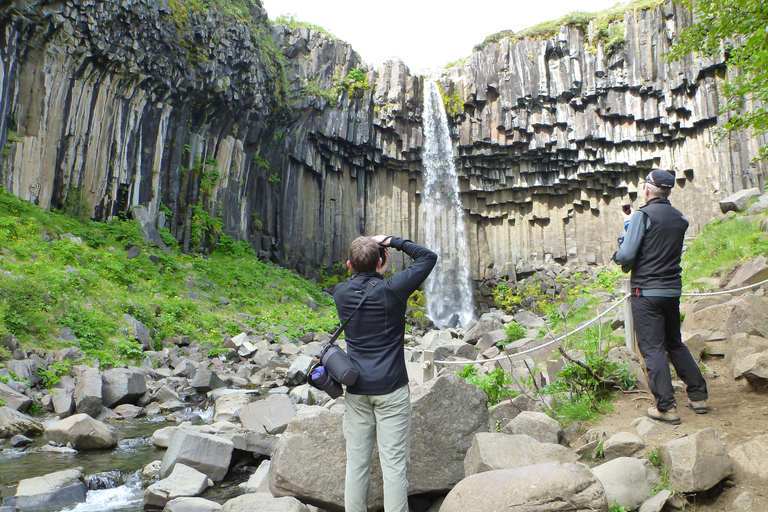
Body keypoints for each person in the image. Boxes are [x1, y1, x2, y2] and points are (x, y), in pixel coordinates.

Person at [333, 234, 437, 512]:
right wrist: (391, 241)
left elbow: (361, 283)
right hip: (391, 389)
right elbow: (428, 257)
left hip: (356, 389)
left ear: (349, 266)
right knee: (393, 466)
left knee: (356, 464)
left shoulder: (340, 293)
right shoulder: (392, 290)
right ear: (383, 261)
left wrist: (374, 267)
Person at [612, 170, 708, 425]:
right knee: (674, 343)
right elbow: (657, 244)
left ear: (647, 189)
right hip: (671, 290)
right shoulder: (679, 218)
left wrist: (619, 251)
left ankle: (666, 407)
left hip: (646, 292)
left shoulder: (643, 215)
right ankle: (698, 396)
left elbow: (628, 255)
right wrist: (630, 226)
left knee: (652, 348)